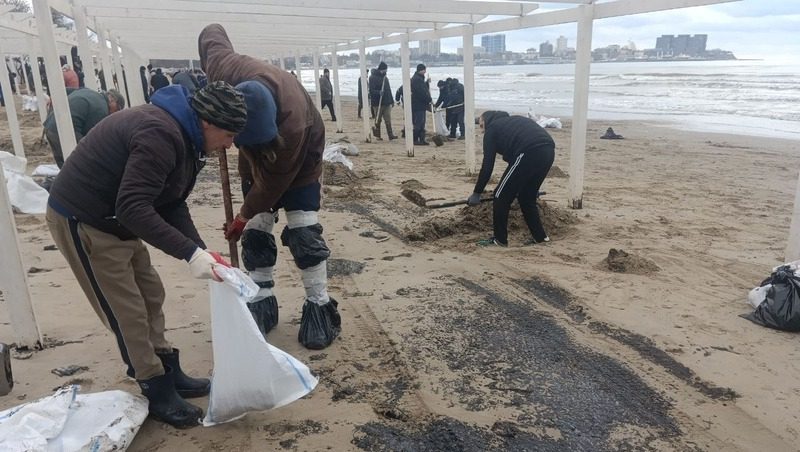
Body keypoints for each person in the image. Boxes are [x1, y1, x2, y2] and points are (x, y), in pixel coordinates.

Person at [45, 81, 248, 428]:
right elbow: (133, 208)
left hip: (118, 219)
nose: (230, 144)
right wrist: (189, 254)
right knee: (128, 311)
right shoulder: (161, 134)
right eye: (229, 135)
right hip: (85, 218)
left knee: (152, 294)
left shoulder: (188, 139)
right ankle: (156, 389)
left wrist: (200, 250)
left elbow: (171, 202)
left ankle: (169, 369)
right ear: (208, 122)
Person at [199, 23, 342, 350]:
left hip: (301, 156)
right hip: (255, 155)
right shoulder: (225, 72)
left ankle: (318, 306)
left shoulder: (290, 127)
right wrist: (214, 102)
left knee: (303, 230)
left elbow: (273, 182)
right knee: (258, 230)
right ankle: (262, 300)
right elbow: (212, 34)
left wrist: (242, 215)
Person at [467, 111, 555, 247]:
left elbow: (487, 165)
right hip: (548, 150)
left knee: (500, 195)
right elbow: (515, 160)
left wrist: (477, 192)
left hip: (528, 150)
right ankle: (541, 238)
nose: (482, 129)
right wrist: (530, 186)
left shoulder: (493, 129)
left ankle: (499, 240)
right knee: (527, 197)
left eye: (481, 125)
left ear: (487, 120)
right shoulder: (512, 123)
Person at [44, 88, 126, 168]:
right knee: (83, 160)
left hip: (50, 126)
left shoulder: (88, 91)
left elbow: (65, 90)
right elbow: (93, 137)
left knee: (64, 163)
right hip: (65, 131)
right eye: (118, 109)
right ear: (112, 101)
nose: (115, 114)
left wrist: (52, 97)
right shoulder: (102, 110)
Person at [368, 62, 396, 140]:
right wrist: (379, 92)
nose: (386, 71)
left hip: (386, 102)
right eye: (385, 69)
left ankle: (390, 135)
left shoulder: (385, 78)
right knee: (378, 119)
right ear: (381, 69)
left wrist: (391, 100)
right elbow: (371, 90)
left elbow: (388, 90)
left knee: (388, 119)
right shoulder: (372, 77)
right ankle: (378, 135)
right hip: (377, 102)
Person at [410, 64, 432, 146]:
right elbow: (420, 92)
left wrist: (426, 83)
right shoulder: (416, 79)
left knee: (422, 122)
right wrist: (429, 99)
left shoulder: (419, 78)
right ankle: (415, 139)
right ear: (421, 70)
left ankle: (422, 139)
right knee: (418, 123)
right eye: (424, 70)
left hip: (421, 104)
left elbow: (423, 89)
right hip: (417, 105)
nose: (425, 72)